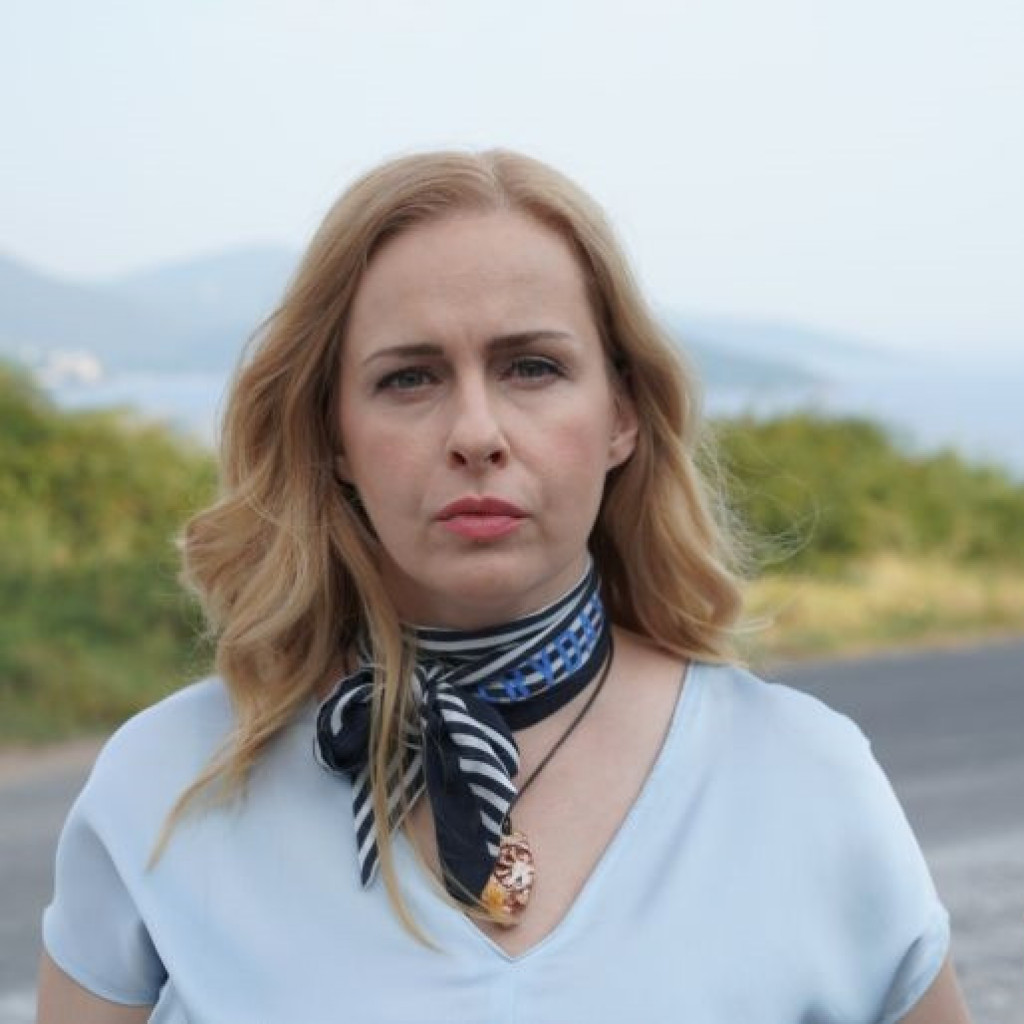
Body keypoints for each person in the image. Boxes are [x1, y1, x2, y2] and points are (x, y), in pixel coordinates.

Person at [37, 149, 972, 1023]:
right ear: (332, 436)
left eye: (532, 367)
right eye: (409, 378)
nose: (476, 433)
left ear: (622, 415)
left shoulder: (807, 778)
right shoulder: (164, 786)